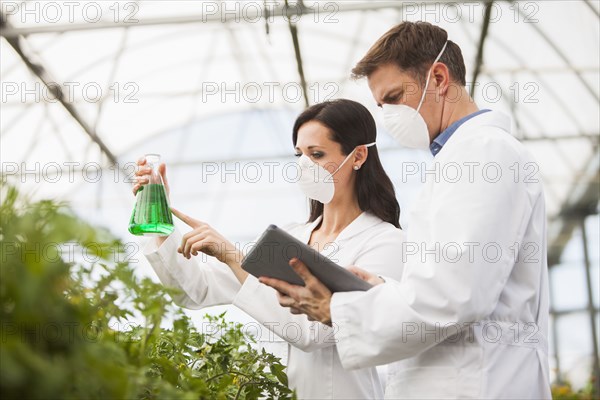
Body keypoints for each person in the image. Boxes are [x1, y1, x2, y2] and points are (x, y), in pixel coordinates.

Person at [261, 22, 551, 399]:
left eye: (395, 97)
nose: (389, 116)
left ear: (440, 77)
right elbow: (450, 279)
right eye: (382, 106)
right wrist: (384, 291)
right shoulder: (460, 157)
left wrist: (339, 308)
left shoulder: (484, 154)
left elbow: (454, 294)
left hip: (477, 383)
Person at [134, 99, 405, 399]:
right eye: (299, 154)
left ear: (358, 156)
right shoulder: (291, 236)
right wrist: (160, 220)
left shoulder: (384, 241)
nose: (305, 165)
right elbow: (193, 289)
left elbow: (313, 333)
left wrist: (232, 256)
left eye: (317, 154)